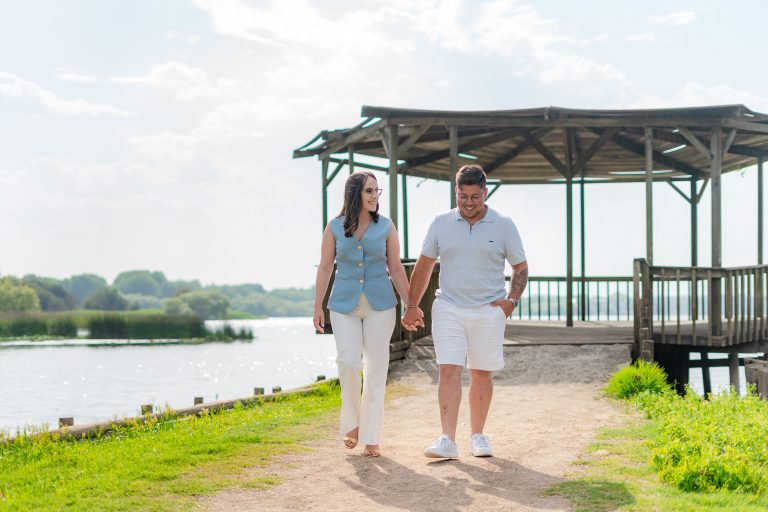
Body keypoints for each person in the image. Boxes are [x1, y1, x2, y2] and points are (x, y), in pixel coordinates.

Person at [402, 164, 528, 459]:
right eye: (463, 196)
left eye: (475, 196)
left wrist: (512, 301)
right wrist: (411, 305)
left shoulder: (504, 224)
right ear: (455, 192)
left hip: (489, 309)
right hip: (448, 306)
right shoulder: (441, 223)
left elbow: (520, 267)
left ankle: (478, 436)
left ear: (485, 192)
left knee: (482, 374)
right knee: (448, 369)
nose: (469, 203)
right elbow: (424, 266)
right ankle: (447, 439)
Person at [313, 171, 410, 458]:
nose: (374, 196)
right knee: (350, 362)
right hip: (343, 306)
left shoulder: (387, 227)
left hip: (381, 306)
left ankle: (371, 436)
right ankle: (352, 424)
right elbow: (325, 268)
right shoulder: (334, 227)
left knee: (377, 370)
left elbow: (396, 268)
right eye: (369, 191)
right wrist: (317, 305)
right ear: (355, 193)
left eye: (376, 191)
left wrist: (411, 304)